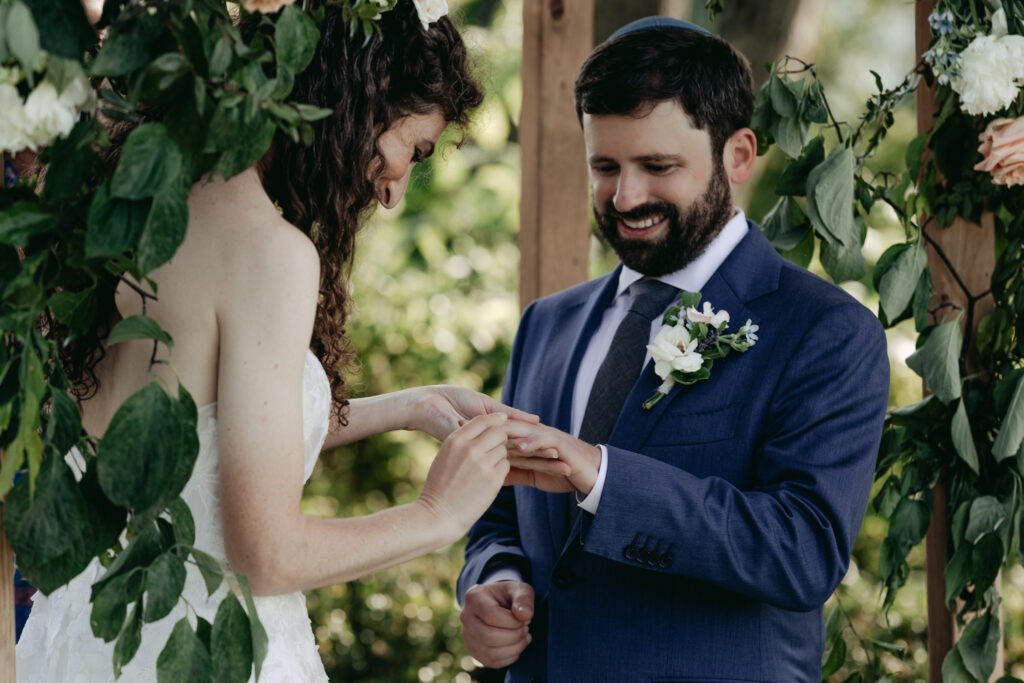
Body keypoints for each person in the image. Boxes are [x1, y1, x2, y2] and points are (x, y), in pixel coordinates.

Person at [16, 2, 533, 681]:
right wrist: (437, 514)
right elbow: (267, 555)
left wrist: (410, 406)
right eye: (415, 150)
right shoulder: (268, 254)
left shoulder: (117, 203)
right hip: (201, 653)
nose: (396, 193)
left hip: (81, 639)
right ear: (359, 100)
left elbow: (194, 429)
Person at [457, 17, 890, 682]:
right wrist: (494, 578)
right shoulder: (548, 322)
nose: (626, 198)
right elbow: (501, 514)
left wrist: (604, 477)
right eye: (605, 167)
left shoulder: (825, 331)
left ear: (739, 156)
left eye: (657, 167)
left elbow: (803, 551)